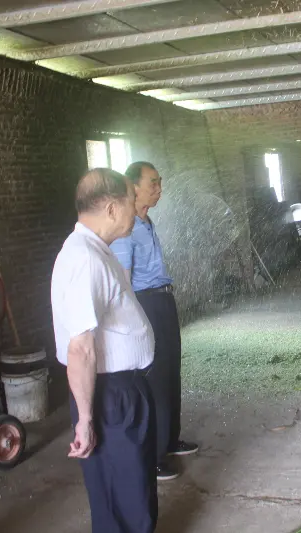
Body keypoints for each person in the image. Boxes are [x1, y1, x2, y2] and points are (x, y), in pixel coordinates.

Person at [51, 168, 157, 533]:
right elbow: (80, 349)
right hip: (110, 395)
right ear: (112, 208)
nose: (136, 206)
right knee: (121, 491)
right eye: (131, 200)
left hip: (121, 390)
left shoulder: (96, 249)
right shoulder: (84, 258)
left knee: (134, 486)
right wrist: (85, 419)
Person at [110, 161, 198, 482]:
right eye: (153, 183)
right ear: (134, 187)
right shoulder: (127, 229)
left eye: (160, 183)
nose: (159, 189)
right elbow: (123, 283)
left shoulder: (147, 222)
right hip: (146, 304)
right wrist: (133, 324)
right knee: (156, 378)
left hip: (163, 299)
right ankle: (156, 456)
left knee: (171, 369)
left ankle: (171, 440)